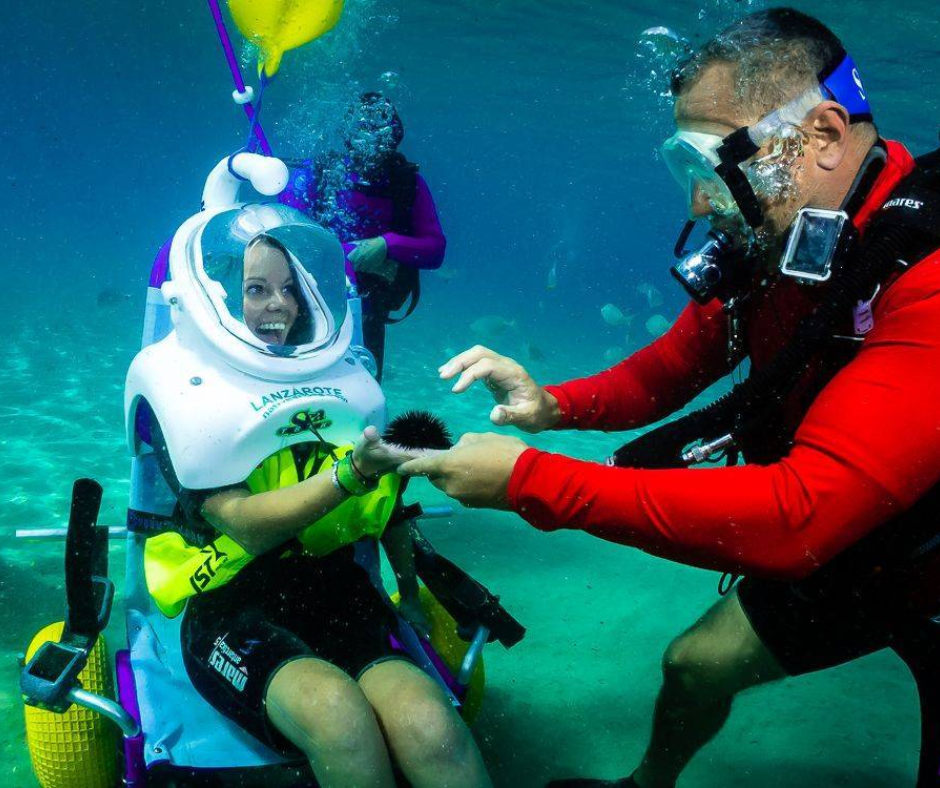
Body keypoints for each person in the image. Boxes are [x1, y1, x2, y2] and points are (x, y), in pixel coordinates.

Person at [398, 8, 940, 787]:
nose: (697, 203)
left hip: (912, 554)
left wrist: (528, 481)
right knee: (694, 665)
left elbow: (799, 516)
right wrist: (552, 405)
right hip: (870, 548)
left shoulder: (927, 273)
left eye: (711, 164)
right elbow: (674, 366)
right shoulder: (782, 230)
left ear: (821, 135)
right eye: (682, 168)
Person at [144, 229, 491, 788]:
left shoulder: (341, 380)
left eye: (290, 289)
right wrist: (349, 473)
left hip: (337, 592)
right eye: (255, 290)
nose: (279, 304)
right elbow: (244, 525)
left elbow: (390, 502)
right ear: (219, 301)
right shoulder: (188, 395)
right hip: (232, 608)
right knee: (340, 721)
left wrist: (408, 591)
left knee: (434, 728)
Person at [281, 91, 447, 380]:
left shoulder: (407, 184)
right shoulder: (316, 175)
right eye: (362, 130)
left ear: (394, 138)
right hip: (305, 302)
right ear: (348, 135)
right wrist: (345, 254)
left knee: (362, 390)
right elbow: (283, 241)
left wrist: (386, 244)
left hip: (368, 311)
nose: (372, 142)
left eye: (381, 133)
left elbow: (434, 250)